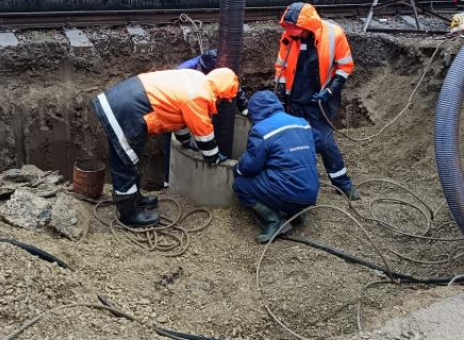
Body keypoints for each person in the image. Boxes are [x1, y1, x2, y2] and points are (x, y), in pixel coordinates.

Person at [93, 67, 239, 226]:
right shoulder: (198, 96)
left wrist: (185, 141)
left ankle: (134, 199)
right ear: (219, 92)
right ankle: (128, 214)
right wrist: (214, 157)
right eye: (223, 98)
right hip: (127, 110)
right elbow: (204, 133)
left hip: (125, 100)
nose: (222, 102)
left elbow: (178, 114)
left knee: (129, 159)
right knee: (124, 162)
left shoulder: (196, 79)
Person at [274, 2, 360, 200]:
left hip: (319, 101)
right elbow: (281, 66)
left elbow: (345, 66)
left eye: (298, 30)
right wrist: (280, 92)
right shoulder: (290, 36)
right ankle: (297, 179)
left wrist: (330, 91)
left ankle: (343, 184)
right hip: (294, 100)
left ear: (309, 25)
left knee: (325, 142)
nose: (294, 34)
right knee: (295, 141)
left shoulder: (334, 35)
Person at [233, 91, 320, 243]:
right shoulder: (302, 123)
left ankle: (273, 220)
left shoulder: (261, 131)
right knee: (281, 170)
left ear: (255, 111)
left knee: (241, 185)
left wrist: (237, 168)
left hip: (288, 192)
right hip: (311, 190)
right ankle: (297, 212)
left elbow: (250, 166)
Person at [161, 49, 249, 187]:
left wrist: (245, 108)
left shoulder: (220, 70)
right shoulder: (184, 71)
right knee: (170, 137)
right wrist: (212, 155)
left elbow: (233, 85)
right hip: (173, 107)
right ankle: (167, 181)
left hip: (197, 103)